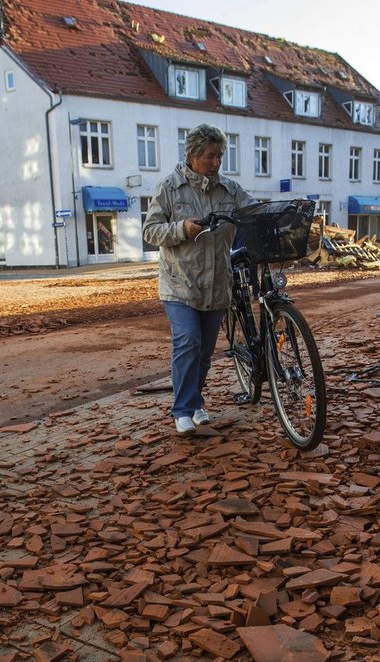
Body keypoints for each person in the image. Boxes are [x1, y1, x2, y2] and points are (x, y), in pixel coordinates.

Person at [143, 124, 254, 436]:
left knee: (204, 352)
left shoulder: (230, 191)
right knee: (188, 341)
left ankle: (195, 402)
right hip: (180, 284)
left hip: (218, 283)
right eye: (209, 157)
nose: (216, 163)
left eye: (220, 156)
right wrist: (181, 229)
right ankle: (182, 409)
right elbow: (150, 232)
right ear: (192, 155)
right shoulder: (169, 187)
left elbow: (255, 211)